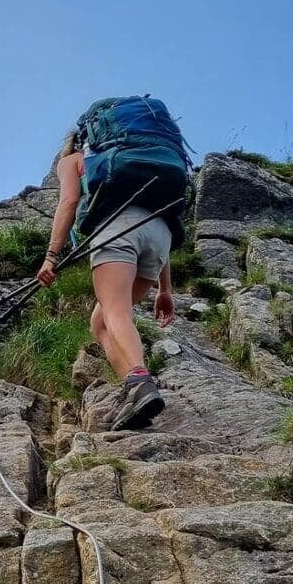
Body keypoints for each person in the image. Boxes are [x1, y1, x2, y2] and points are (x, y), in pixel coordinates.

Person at [37, 126, 178, 430]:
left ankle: (140, 378)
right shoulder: (142, 160)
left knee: (115, 312)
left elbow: (69, 203)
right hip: (161, 237)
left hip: (116, 229)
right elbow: (159, 219)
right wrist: (165, 289)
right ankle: (135, 392)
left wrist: (51, 256)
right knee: (99, 322)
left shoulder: (74, 160)